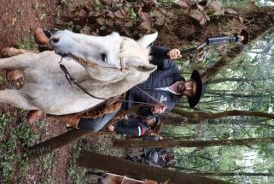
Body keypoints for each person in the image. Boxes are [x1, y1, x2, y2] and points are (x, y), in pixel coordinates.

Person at [27, 29, 207, 132]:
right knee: (94, 60)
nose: (188, 88)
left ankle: (46, 110)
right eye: (192, 85)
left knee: (95, 125)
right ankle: (49, 42)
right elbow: (152, 53)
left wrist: (152, 111)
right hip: (120, 75)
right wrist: (167, 53)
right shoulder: (172, 69)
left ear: (188, 96)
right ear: (191, 79)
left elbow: (142, 115)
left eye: (190, 91)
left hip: (120, 101)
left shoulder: (170, 104)